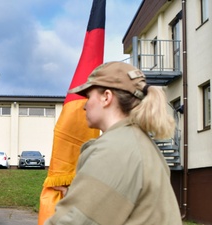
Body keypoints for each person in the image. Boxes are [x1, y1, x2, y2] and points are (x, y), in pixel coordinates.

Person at [44, 61, 182, 225]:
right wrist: (75, 193)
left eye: (88, 97)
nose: (85, 106)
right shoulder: (134, 142)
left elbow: (74, 222)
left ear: (106, 97)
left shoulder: (116, 149)